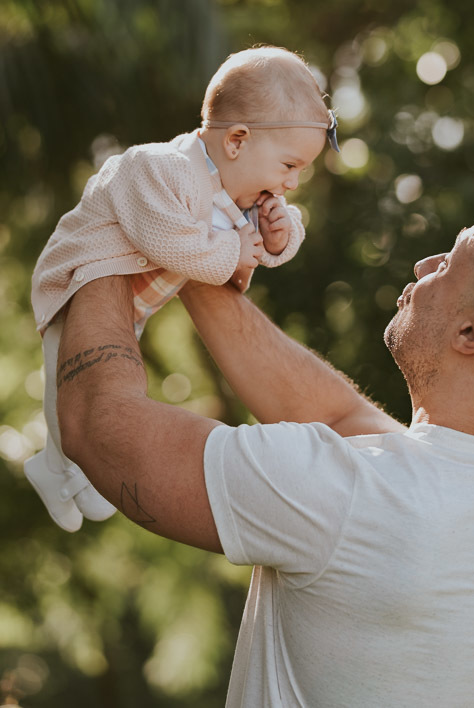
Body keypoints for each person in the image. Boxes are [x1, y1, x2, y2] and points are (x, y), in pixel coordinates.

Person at [54, 214, 474, 707]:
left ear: (473, 331)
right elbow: (340, 417)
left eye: (451, 262)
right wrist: (196, 259)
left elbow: (97, 428)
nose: (424, 264)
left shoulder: (351, 497)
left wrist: (117, 225)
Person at [25, 45, 339, 533]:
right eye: (289, 165)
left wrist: (280, 235)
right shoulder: (159, 168)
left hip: (129, 305)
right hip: (78, 280)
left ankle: (69, 464)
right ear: (236, 140)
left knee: (105, 387)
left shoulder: (240, 192)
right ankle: (56, 465)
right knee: (66, 390)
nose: (293, 183)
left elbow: (262, 238)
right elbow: (170, 242)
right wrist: (233, 250)